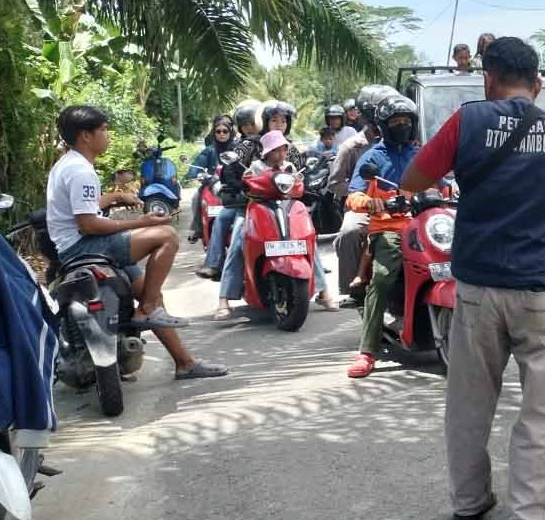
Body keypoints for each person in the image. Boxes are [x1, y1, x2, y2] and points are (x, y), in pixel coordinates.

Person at [400, 37, 545, 520]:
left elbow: (413, 179)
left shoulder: (466, 121)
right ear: (538, 83)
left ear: (487, 78)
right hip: (544, 290)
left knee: (469, 401)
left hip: (478, 289)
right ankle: (529, 519)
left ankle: (468, 503)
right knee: (544, 407)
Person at [46, 105, 227, 380]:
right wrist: (142, 223)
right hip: (86, 246)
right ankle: (146, 310)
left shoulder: (67, 164)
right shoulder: (81, 170)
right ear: (85, 136)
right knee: (167, 235)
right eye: (103, 130)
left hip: (74, 247)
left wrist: (117, 197)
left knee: (150, 292)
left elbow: (84, 205)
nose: (107, 135)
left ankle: (185, 362)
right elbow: (88, 224)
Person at [214, 130, 336, 317]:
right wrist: (244, 181)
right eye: (275, 150)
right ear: (266, 152)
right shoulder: (255, 167)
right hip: (258, 208)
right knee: (238, 242)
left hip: (287, 209)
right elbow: (247, 184)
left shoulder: (290, 167)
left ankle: (323, 291)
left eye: (283, 150)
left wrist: (301, 182)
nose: (281, 154)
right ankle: (224, 298)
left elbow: (298, 186)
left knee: (308, 241)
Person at [344, 95, 423, 378]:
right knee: (382, 276)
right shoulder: (372, 157)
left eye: (406, 121)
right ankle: (367, 351)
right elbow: (354, 195)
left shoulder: (421, 155)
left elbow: (444, 183)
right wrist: (370, 202)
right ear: (384, 126)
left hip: (425, 225)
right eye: (395, 122)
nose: (402, 126)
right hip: (390, 228)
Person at [331, 86, 389, 305]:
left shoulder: (402, 142)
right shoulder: (351, 146)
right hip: (362, 207)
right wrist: (362, 196)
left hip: (396, 203)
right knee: (350, 232)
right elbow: (335, 183)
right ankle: (352, 290)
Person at [199, 101, 261, 280]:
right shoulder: (237, 146)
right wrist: (236, 185)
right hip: (244, 199)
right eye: (245, 124)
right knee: (222, 218)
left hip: (271, 197)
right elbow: (228, 171)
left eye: (252, 123)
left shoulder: (271, 142)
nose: (249, 128)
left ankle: (312, 263)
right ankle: (213, 264)